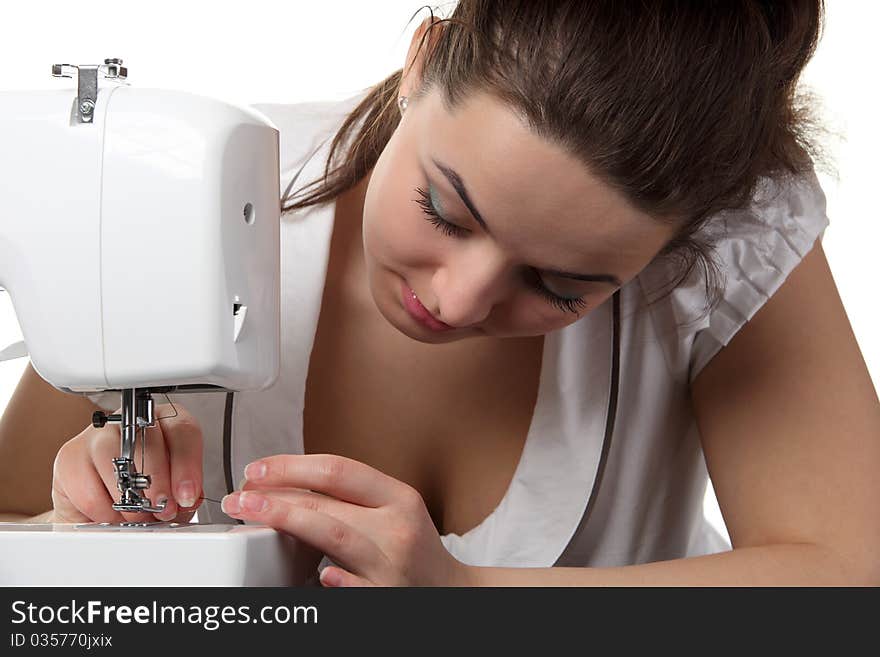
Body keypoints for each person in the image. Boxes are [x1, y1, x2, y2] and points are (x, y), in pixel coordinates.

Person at [1, 1, 878, 586]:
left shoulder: (736, 233)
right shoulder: (183, 198)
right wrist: (70, 528)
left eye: (563, 285)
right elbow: (14, 517)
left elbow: (850, 573)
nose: (458, 302)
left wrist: (471, 599)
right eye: (445, 210)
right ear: (422, 61)